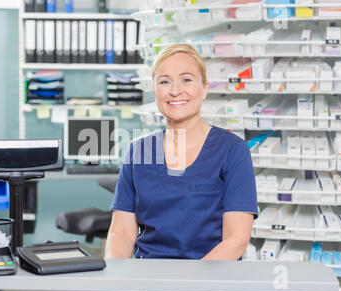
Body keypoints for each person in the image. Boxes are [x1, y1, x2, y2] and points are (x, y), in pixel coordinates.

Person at [104, 44, 258, 260]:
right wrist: (117, 275)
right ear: (155, 90)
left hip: (209, 282)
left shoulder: (232, 150)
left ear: (204, 88)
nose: (175, 90)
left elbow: (235, 240)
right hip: (148, 282)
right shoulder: (139, 151)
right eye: (164, 81)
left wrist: (187, 287)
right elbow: (121, 232)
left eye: (186, 79)